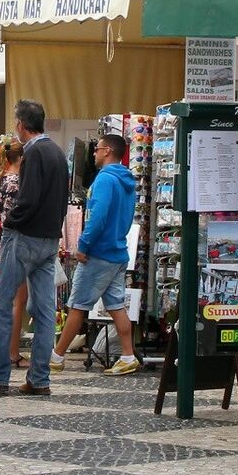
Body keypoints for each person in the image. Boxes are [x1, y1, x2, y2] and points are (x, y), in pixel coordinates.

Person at [0, 99, 68, 396]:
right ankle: (39, 379)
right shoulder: (57, 152)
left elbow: (28, 199)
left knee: (0, 304)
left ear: (21, 126)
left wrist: (10, 221)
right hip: (49, 239)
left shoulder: (33, 153)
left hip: (24, 236)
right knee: (44, 308)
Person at [51, 134, 138, 376]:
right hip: (118, 251)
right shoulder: (127, 181)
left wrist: (84, 245)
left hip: (98, 253)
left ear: (108, 151)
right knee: (117, 305)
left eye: (97, 149)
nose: (93, 153)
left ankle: (57, 356)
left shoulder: (104, 181)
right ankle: (128, 355)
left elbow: (97, 217)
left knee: (78, 304)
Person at [0, 140, 28, 369]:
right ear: (21, 159)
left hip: (2, 245)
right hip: (13, 246)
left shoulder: (1, 179)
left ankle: (5, 349)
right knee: (17, 300)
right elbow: (11, 219)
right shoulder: (16, 183)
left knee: (4, 297)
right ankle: (12, 352)